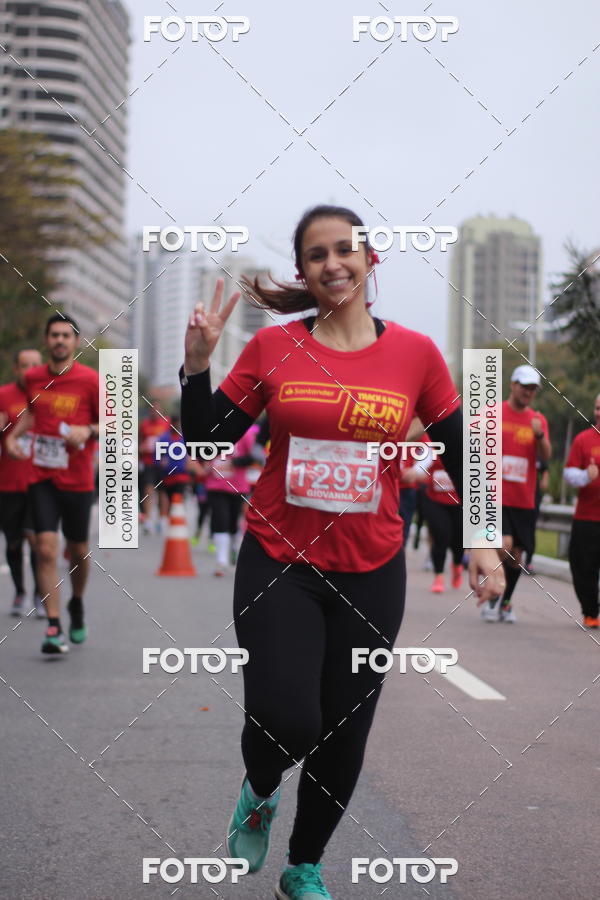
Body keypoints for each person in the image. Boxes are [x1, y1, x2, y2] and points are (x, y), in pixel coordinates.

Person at [180, 205, 502, 900]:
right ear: (303, 271)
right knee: (289, 715)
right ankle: (260, 788)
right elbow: (207, 445)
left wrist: (481, 541)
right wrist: (196, 369)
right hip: (279, 559)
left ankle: (303, 866)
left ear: (370, 259)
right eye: (318, 254)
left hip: (373, 566)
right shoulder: (272, 349)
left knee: (344, 733)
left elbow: (463, 454)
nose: (333, 263)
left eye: (346, 250)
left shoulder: (417, 355)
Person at [5, 313, 99, 655]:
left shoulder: (91, 380)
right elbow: (31, 412)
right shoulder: (33, 377)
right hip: (40, 475)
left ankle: (76, 602)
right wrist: (13, 438)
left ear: (75, 342)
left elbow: (115, 424)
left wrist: (87, 430)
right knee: (44, 548)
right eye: (54, 335)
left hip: (76, 478)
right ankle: (54, 625)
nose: (59, 340)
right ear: (47, 340)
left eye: (65, 335)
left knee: (77, 550)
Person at [481, 365, 551, 623]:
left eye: (533, 389)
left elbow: (546, 456)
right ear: (513, 385)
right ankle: (491, 594)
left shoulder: (537, 420)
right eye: (524, 386)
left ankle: (505, 601)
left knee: (517, 556)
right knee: (505, 544)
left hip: (524, 499)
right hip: (495, 496)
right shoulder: (493, 414)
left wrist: (539, 435)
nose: (528, 392)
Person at [0, 348, 43, 617]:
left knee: (37, 539)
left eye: (34, 365)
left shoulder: (49, 395)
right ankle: (19, 592)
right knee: (13, 542)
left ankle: (41, 591)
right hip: (8, 482)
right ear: (16, 368)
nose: (29, 370)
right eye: (24, 365)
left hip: (40, 482)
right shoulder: (4, 396)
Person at [563, 393, 600, 628]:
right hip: (587, 517)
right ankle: (590, 612)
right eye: (597, 408)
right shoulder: (584, 440)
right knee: (582, 567)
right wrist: (586, 476)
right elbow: (568, 474)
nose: (599, 412)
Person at [205, 426, 258, 576]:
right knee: (220, 519)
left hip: (238, 487)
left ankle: (234, 550)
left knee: (233, 522)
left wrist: (233, 463)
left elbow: (253, 456)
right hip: (215, 485)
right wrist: (204, 462)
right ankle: (221, 561)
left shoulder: (245, 433)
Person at [423, 456, 463, 593]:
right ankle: (438, 576)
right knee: (441, 536)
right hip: (436, 500)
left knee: (459, 541)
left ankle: (457, 565)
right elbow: (422, 466)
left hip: (459, 502)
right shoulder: (433, 446)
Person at [139, 403, 171, 534]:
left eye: (157, 409)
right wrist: (141, 449)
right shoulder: (144, 424)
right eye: (153, 410)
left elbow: (175, 439)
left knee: (163, 492)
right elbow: (141, 441)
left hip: (163, 462)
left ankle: (162, 519)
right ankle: (148, 520)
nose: (155, 412)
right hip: (149, 462)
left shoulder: (167, 423)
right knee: (148, 489)